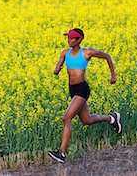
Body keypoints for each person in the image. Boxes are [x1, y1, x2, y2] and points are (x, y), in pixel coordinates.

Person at [48, 28, 122, 163]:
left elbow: (107, 56)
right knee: (86, 120)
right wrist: (56, 70)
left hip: (82, 90)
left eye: (72, 38)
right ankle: (112, 119)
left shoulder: (87, 53)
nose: (69, 40)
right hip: (72, 90)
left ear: (79, 40)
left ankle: (62, 153)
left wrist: (113, 75)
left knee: (66, 118)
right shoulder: (65, 53)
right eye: (68, 38)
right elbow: (57, 68)